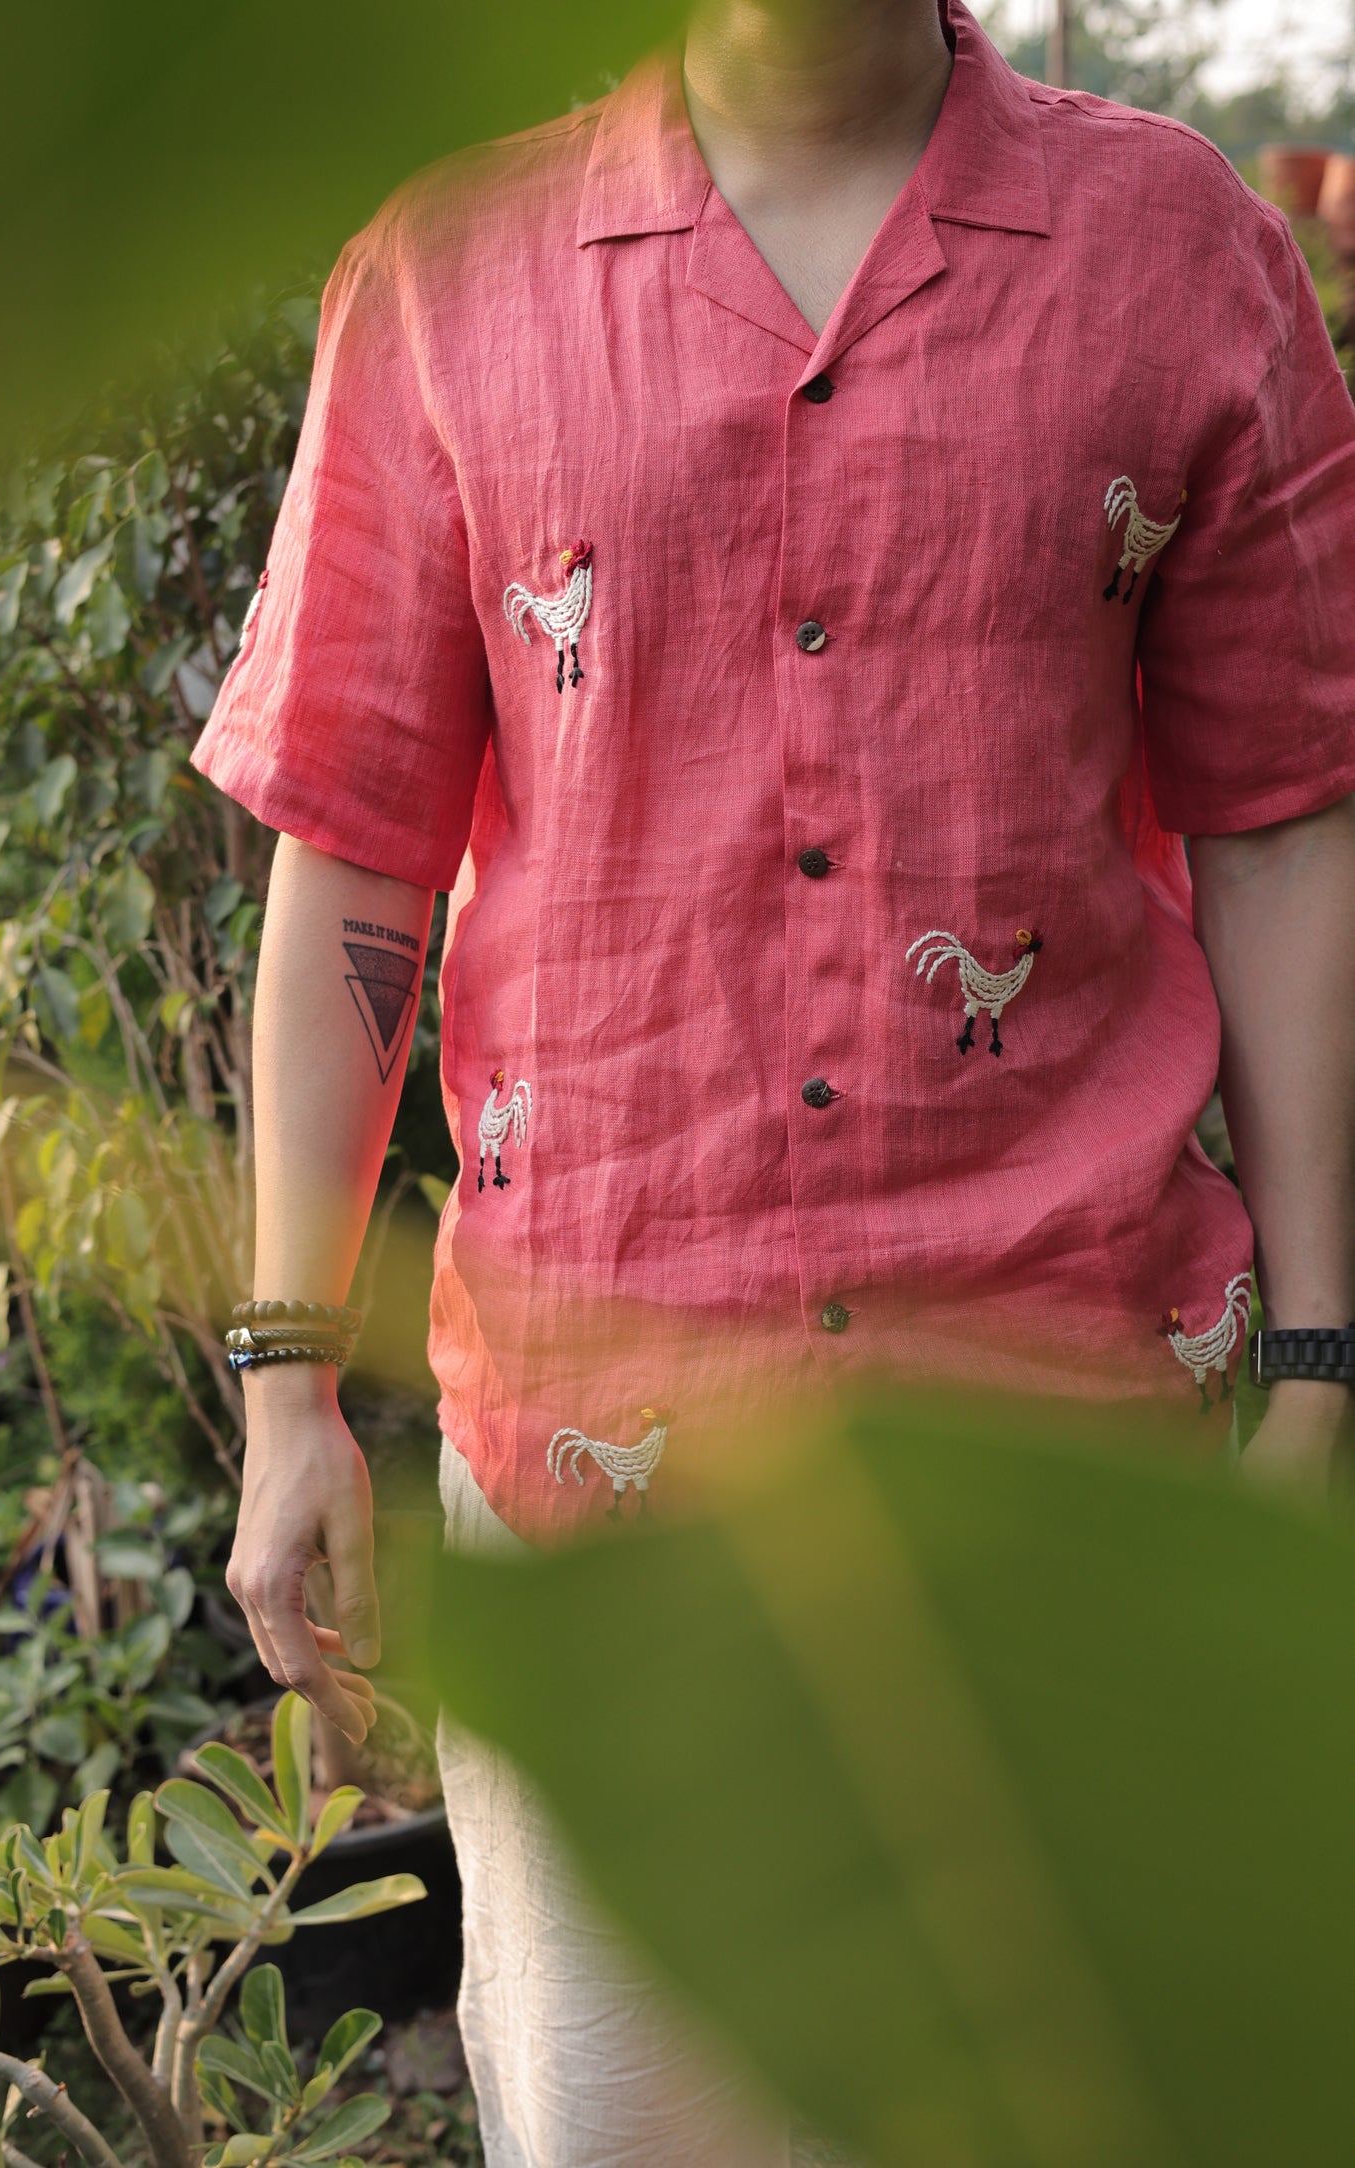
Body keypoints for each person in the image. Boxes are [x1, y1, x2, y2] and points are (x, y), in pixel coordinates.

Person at [191, 0, 1355, 2157]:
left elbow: (1288, 813)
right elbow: (353, 844)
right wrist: (283, 1388)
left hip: (1087, 1455)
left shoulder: (1178, 246)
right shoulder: (449, 263)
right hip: (604, 1475)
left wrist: (1325, 1351)